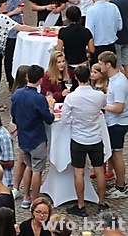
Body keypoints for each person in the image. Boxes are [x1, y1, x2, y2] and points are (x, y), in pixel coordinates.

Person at [61, 65, 108, 216]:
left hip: (79, 138)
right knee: (99, 171)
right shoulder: (99, 95)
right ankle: (101, 203)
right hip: (95, 137)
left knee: (78, 173)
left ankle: (81, 205)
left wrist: (75, 119)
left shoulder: (71, 97)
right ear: (89, 76)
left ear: (76, 77)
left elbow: (64, 119)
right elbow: (103, 107)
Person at [11, 65, 55, 208]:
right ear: (40, 80)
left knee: (28, 166)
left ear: (27, 77)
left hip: (23, 138)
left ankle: (26, 197)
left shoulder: (17, 94)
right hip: (36, 139)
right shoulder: (39, 98)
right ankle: (35, 201)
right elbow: (49, 119)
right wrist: (51, 109)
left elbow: (13, 115)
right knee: (37, 170)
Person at [100, 51, 128, 199]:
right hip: (113, 121)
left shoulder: (118, 83)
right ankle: (119, 182)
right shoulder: (115, 79)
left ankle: (121, 187)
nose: (99, 66)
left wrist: (102, 106)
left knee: (117, 155)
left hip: (117, 123)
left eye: (101, 64)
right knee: (113, 154)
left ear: (108, 65)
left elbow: (119, 108)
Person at [87, 0, 122, 64]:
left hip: (98, 46)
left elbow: (90, 32)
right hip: (111, 45)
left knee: (98, 69)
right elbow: (120, 26)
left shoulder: (91, 11)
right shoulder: (113, 7)